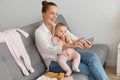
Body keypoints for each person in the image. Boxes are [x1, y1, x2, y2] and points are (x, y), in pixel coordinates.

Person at [35, 1, 109, 80]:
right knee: (90, 69)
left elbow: (72, 37)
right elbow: (48, 50)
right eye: (52, 13)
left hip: (68, 54)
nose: (55, 16)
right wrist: (68, 45)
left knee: (92, 56)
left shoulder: (57, 26)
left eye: (56, 14)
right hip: (55, 62)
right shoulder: (39, 32)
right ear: (43, 13)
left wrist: (83, 43)